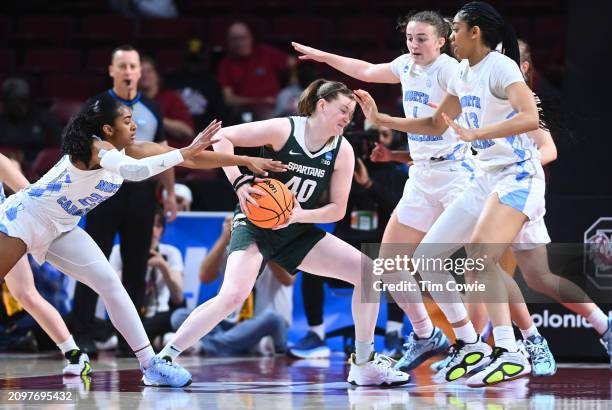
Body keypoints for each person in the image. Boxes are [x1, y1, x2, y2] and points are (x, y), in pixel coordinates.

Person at [0, 94, 283, 387]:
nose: (135, 125)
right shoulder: (96, 147)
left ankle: (152, 365)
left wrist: (243, 160)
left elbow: (192, 157)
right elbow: (137, 172)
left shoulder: (129, 149)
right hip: (22, 218)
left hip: (61, 227)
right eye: (127, 121)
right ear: (108, 129)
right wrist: (184, 153)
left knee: (110, 284)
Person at [156, 79, 410, 387]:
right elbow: (222, 138)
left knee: (367, 274)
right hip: (256, 225)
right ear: (322, 105)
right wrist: (239, 182)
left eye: (351, 114)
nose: (348, 118)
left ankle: (364, 362)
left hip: (295, 229)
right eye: (343, 110)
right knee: (232, 295)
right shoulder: (284, 130)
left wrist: (300, 215)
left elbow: (337, 210)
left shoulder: (341, 150)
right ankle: (164, 359)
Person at [355, 1, 550, 387]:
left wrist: (478, 134)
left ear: (474, 31)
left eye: (455, 30)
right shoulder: (462, 71)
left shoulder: (501, 66)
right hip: (484, 177)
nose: (452, 37)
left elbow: (530, 117)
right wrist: (382, 120)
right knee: (428, 257)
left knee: (484, 260)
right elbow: (432, 122)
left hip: (517, 175)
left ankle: (512, 351)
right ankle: (470, 344)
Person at [293, 10, 471, 371]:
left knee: (437, 262)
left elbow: (437, 127)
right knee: (387, 266)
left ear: (441, 41)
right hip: (421, 176)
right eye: (409, 37)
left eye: (422, 38)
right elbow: (366, 70)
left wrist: (381, 119)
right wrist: (326, 57)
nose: (414, 44)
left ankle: (472, 343)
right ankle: (425, 335)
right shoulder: (406, 65)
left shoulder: (451, 71)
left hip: (457, 173)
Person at [71, 45, 178, 357]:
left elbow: (164, 153)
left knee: (135, 269)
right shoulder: (96, 106)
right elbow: (80, 152)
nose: (128, 72)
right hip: (103, 193)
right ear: (112, 71)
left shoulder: (153, 109)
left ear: (140, 72)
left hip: (142, 196)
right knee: (93, 265)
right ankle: (83, 333)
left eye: (133, 66)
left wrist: (170, 194)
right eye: (123, 66)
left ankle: (127, 341)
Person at [0, 153, 92, 375]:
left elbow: (28, 192)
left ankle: (75, 354)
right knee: (26, 295)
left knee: (26, 295)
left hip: (5, 234)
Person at [170, 215, 293, 356]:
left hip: (260, 322)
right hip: (228, 321)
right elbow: (204, 276)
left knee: (273, 318)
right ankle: (239, 344)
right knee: (179, 316)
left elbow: (288, 279)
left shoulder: (281, 241)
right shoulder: (237, 244)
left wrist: (264, 243)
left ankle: (207, 346)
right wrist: (224, 238)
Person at [109, 208, 185, 346]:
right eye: (150, 224)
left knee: (176, 316)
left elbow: (178, 298)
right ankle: (155, 341)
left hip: (159, 314)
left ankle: (133, 341)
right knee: (83, 321)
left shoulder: (171, 253)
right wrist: (136, 264)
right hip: (129, 313)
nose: (153, 230)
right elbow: (110, 291)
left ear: (162, 229)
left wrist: (164, 267)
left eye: (158, 226)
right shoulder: (119, 251)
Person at [218, 22, 297, 122]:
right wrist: (261, 101)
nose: (239, 43)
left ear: (251, 38)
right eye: (234, 39)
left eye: (243, 38)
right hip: (244, 111)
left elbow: (293, 62)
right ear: (228, 42)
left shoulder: (264, 53)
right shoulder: (225, 64)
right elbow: (228, 99)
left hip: (276, 107)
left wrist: (292, 84)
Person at [0, 78, 62, 162]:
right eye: (15, 101)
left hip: (39, 166)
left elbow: (59, 148)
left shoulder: (45, 117)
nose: (21, 106)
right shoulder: (2, 119)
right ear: (6, 102)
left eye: (24, 100)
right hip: (6, 164)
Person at [139, 56, 196, 144]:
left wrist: (154, 118)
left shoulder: (170, 98)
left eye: (149, 71)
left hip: (172, 152)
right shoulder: (131, 101)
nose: (144, 75)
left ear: (157, 75)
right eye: (141, 71)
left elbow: (188, 131)